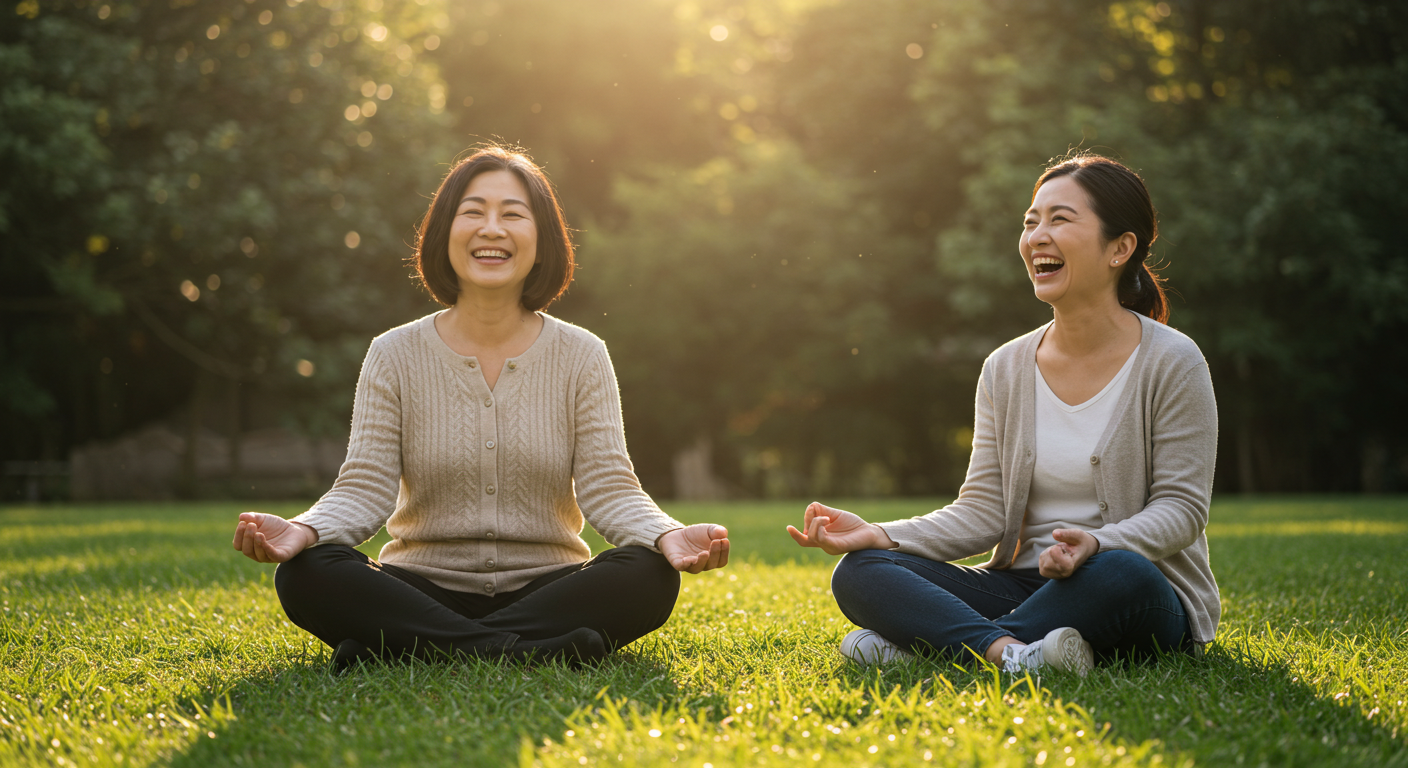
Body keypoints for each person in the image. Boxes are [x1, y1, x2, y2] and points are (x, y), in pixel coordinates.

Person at [232, 146, 730, 669]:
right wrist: (305, 530)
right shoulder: (393, 353)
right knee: (306, 572)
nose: (492, 229)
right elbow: (363, 487)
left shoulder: (583, 355)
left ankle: (405, 648)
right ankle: (537, 652)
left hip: (548, 589)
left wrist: (666, 535)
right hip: (419, 588)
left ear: (542, 241)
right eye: (473, 212)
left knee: (648, 574)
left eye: (512, 215)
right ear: (444, 233)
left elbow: (610, 488)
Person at [788, 155, 1218, 676]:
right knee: (861, 570)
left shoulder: (1173, 360)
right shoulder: (1005, 367)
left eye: (1060, 219)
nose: (1037, 236)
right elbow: (982, 511)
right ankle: (1011, 654)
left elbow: (1181, 509)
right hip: (1023, 586)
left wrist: (1098, 543)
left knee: (1120, 572)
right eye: (1030, 221)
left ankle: (936, 645)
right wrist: (880, 534)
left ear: (1120, 248)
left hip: (1133, 589)